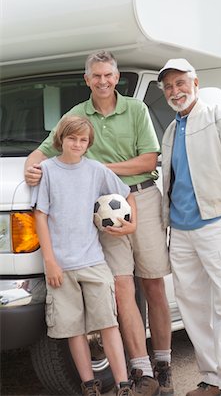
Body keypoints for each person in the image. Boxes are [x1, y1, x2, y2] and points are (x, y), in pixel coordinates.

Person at [24, 51, 173, 396]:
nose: (103, 81)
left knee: (152, 285)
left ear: (116, 77)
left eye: (109, 75)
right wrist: (31, 168)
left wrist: (99, 170)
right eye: (97, 76)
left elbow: (149, 159)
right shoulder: (77, 114)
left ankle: (164, 364)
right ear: (87, 79)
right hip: (102, 210)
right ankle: (141, 370)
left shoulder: (135, 110)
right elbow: (46, 150)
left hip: (142, 198)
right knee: (122, 288)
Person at [158, 58, 221, 396]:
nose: (175, 91)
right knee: (193, 306)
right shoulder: (171, 130)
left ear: (195, 83)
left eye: (181, 83)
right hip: (181, 231)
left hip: (218, 224)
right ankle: (213, 378)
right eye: (169, 86)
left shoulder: (219, 117)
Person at [31, 115, 137, 396]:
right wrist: (50, 261)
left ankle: (123, 385)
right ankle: (89, 385)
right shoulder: (48, 171)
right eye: (71, 138)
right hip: (61, 268)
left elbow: (126, 195)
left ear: (89, 143)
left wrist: (132, 223)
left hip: (93, 262)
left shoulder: (96, 170)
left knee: (108, 323)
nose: (77, 144)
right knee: (73, 329)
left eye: (82, 140)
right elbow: (40, 216)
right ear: (60, 140)